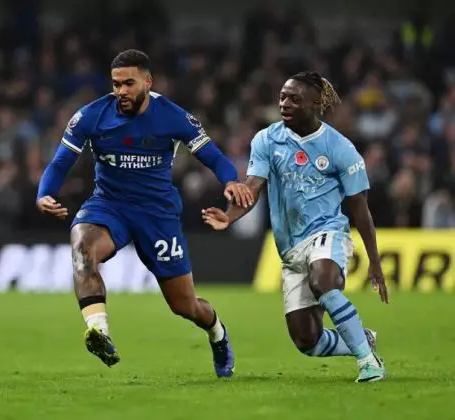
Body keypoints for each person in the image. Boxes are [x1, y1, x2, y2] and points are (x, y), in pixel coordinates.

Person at [37, 49, 249, 377]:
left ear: (148, 82)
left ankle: (217, 333)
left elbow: (213, 156)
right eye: (116, 84)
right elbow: (60, 162)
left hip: (157, 215)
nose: (121, 91)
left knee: (185, 306)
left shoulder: (173, 116)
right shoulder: (92, 116)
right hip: (109, 206)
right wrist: (44, 193)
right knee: (82, 249)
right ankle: (99, 330)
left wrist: (230, 181)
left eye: (129, 84)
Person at [202, 71, 388, 383]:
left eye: (294, 99)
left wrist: (375, 261)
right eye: (283, 97)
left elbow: (361, 210)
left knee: (324, 280)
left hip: (327, 232)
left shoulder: (340, 148)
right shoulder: (266, 139)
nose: (285, 103)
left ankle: (369, 363)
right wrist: (229, 216)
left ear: (316, 104)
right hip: (289, 247)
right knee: (308, 341)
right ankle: (360, 338)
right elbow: (252, 185)